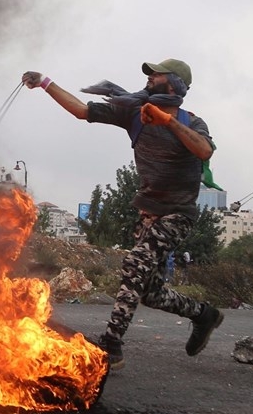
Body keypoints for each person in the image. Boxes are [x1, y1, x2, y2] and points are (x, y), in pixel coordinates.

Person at [21, 59, 222, 369]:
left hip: (178, 214)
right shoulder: (134, 112)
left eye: (157, 75)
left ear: (175, 84)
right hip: (149, 213)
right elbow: (81, 110)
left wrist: (166, 121)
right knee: (150, 293)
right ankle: (204, 315)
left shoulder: (192, 122)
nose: (150, 78)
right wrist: (45, 82)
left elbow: (204, 151)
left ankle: (111, 345)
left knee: (135, 263)